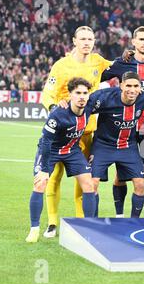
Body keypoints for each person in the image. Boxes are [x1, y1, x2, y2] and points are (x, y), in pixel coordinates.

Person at [41, 26, 112, 238]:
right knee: (54, 177)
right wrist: (54, 108)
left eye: (90, 39)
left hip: (86, 131)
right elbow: (47, 93)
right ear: (74, 40)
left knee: (84, 178)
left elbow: (118, 67)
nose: (87, 43)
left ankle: (82, 220)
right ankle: (52, 222)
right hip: (61, 132)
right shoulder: (61, 66)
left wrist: (137, 55)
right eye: (82, 39)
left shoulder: (98, 61)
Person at [101, 26, 144, 218]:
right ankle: (119, 215)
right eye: (141, 39)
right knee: (121, 176)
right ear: (133, 42)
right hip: (127, 127)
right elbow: (98, 75)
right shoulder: (123, 62)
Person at [25, 78, 97, 243]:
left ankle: (90, 227)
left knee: (89, 185)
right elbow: (45, 142)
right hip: (51, 151)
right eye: (77, 93)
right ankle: (34, 229)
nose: (81, 97)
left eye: (85, 93)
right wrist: (43, 169)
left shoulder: (89, 107)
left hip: (72, 151)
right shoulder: (58, 114)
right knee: (40, 183)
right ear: (70, 95)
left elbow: (106, 95)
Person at [89, 71, 144, 217]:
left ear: (140, 87)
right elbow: (83, 109)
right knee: (92, 184)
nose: (132, 89)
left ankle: (131, 222)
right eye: (128, 85)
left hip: (128, 146)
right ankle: (93, 223)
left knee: (140, 184)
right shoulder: (105, 97)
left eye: (136, 86)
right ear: (121, 85)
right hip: (103, 145)